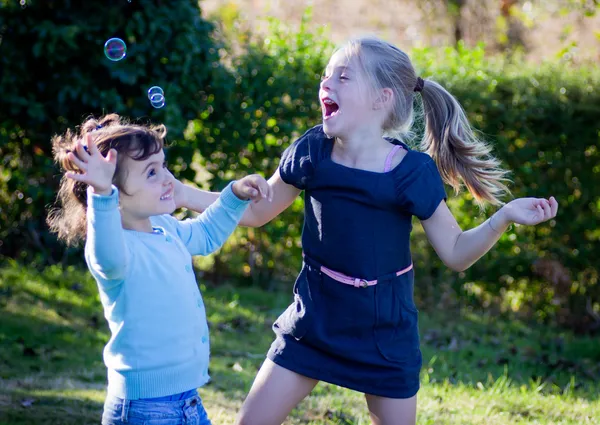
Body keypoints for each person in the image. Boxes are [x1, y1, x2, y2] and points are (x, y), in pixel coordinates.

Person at [177, 36, 559, 425]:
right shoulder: (313, 152)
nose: (326, 84)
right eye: (326, 76)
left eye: (343, 77)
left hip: (384, 334)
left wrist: (502, 218)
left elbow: (457, 253)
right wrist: (179, 192)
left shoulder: (410, 173)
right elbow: (256, 212)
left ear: (382, 98)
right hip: (314, 321)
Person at [46, 113, 271, 425]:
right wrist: (101, 193)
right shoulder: (115, 249)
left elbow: (205, 235)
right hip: (144, 409)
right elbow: (107, 254)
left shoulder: (164, 227)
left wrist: (233, 197)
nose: (168, 179)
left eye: (163, 165)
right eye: (151, 173)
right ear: (114, 194)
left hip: (186, 399)